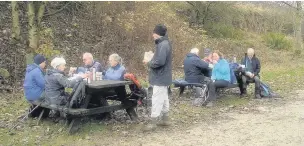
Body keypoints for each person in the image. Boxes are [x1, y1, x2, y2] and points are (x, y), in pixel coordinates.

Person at [143, 24, 172, 131]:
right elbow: (160, 59)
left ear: (157, 33)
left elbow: (160, 62)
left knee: (156, 99)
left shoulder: (163, 44)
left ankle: (153, 123)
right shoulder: (164, 43)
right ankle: (165, 119)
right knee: (164, 98)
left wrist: (149, 62)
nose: (152, 35)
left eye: (153, 33)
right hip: (164, 76)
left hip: (160, 76)